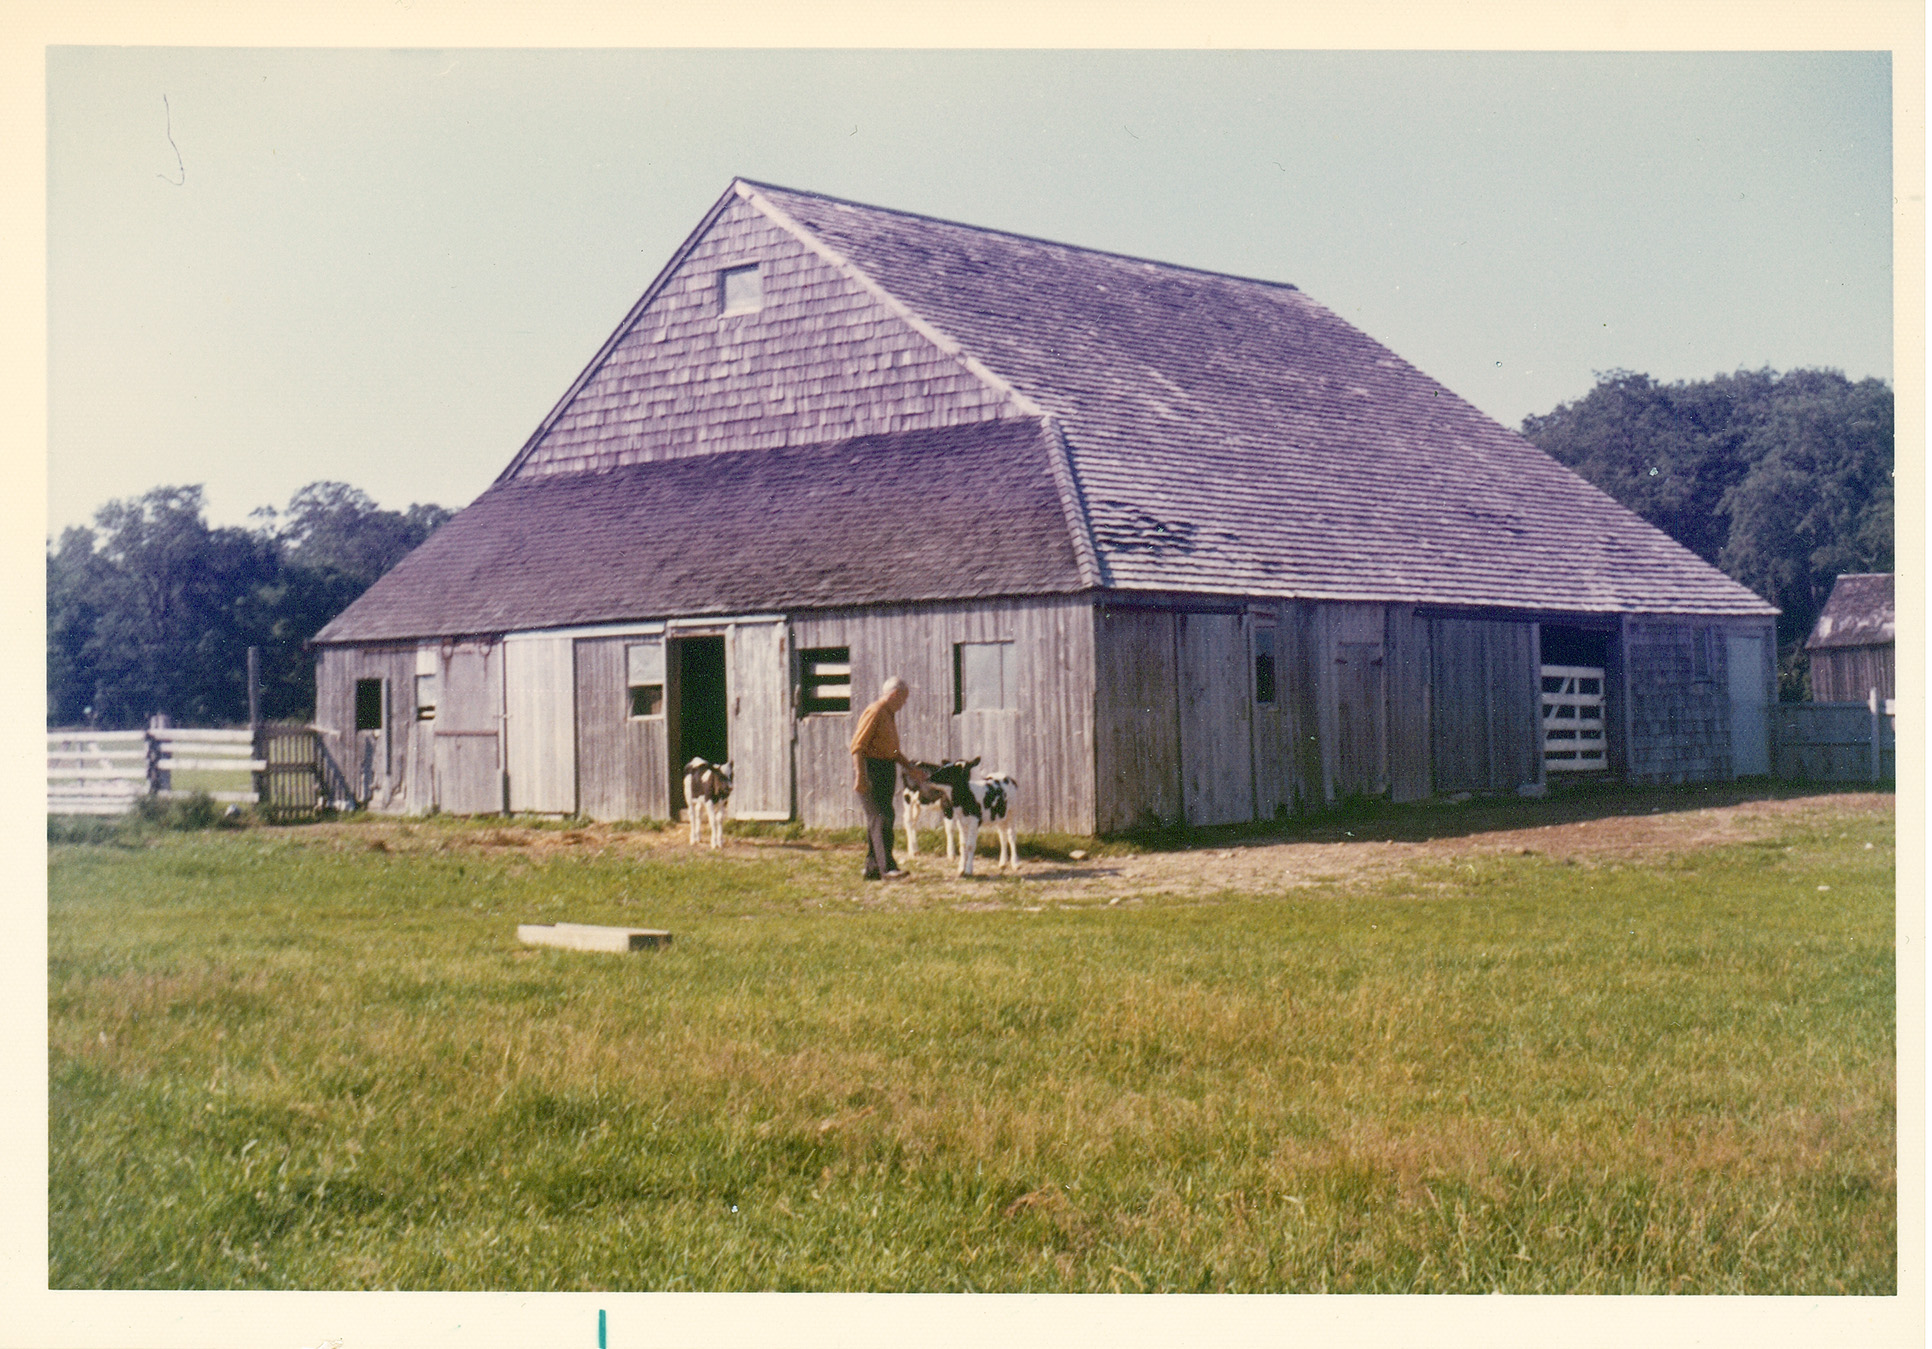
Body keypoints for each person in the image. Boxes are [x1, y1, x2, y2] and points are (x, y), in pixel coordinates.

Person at [850, 675, 925, 880]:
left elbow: (892, 751)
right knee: (882, 817)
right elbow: (857, 746)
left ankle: (873, 868)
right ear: (895, 695)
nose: (904, 704)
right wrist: (860, 776)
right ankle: (888, 868)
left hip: (886, 768)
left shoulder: (888, 714)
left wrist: (910, 768)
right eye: (903, 699)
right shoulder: (875, 711)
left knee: (879, 818)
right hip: (872, 769)